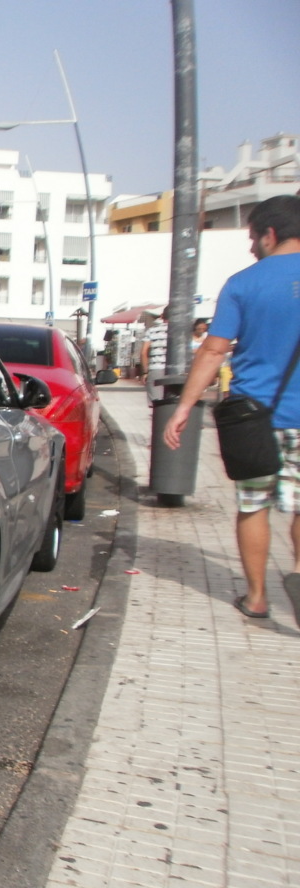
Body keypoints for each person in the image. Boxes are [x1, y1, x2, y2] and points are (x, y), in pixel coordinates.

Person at [163, 194, 300, 623]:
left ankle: (257, 598)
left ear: (269, 234)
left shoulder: (244, 283)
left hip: (255, 416)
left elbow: (214, 350)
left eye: (252, 236)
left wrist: (185, 405)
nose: (250, 246)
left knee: (253, 504)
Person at [139, 307, 169, 403]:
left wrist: (145, 372)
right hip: (177, 370)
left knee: (156, 402)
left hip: (156, 368)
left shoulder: (151, 331)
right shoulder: (181, 333)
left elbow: (143, 352)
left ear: (162, 316)